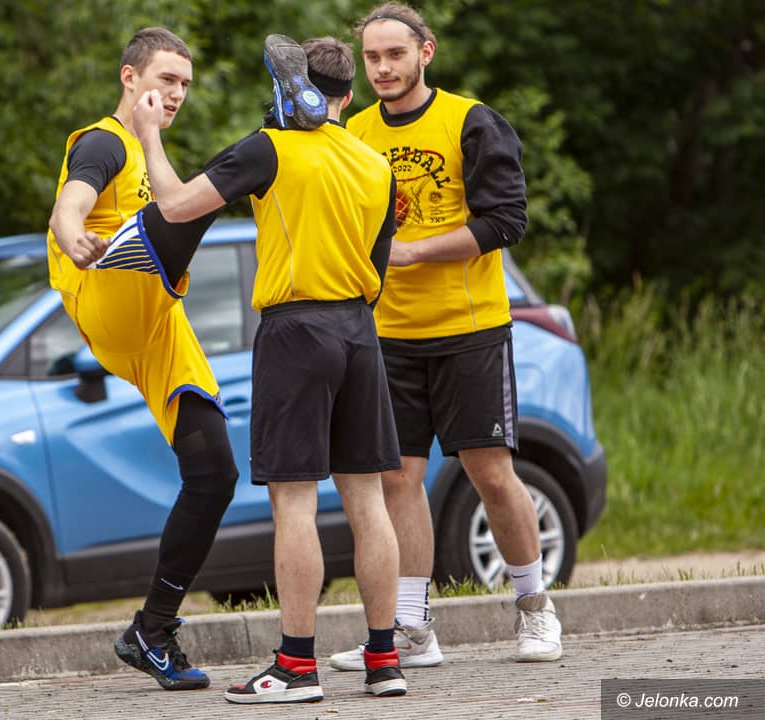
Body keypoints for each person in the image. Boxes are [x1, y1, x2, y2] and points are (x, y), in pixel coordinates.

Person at [132, 34, 408, 704]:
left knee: (294, 501)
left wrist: (149, 135)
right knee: (369, 500)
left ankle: (295, 667)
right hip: (360, 331)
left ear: (293, 89)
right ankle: (384, 659)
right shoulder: (377, 166)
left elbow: (174, 206)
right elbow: (377, 268)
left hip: (296, 330)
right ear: (349, 96)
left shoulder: (269, 147)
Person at [327, 2, 562, 670]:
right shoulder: (351, 132)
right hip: (387, 336)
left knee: (491, 473)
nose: (383, 68)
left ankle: (535, 609)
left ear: (425, 52)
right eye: (372, 57)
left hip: (469, 329)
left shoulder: (470, 121)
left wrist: (413, 252)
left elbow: (507, 221)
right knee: (398, 479)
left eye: (395, 54)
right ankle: (413, 630)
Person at [46, 27, 240, 691]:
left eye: (185, 84)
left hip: (159, 324)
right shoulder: (105, 142)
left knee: (215, 474)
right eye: (166, 80)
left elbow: (172, 200)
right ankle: (279, 136)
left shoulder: (150, 152)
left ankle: (151, 631)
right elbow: (70, 203)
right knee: (188, 205)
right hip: (107, 292)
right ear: (130, 78)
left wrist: (154, 141)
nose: (177, 93)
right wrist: (73, 235)